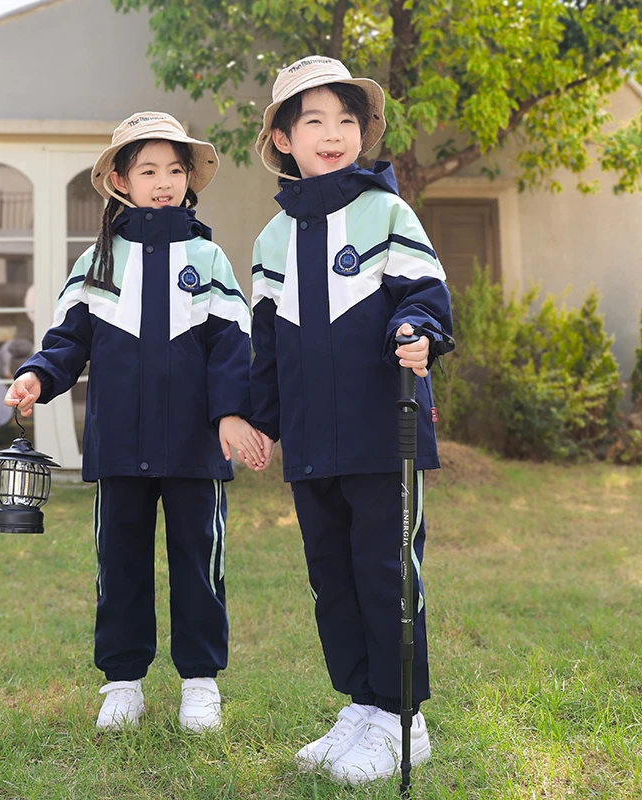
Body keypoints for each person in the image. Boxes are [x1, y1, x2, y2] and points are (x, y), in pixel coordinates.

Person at [4, 112, 265, 733]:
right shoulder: (96, 261)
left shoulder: (208, 258)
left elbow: (233, 345)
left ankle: (200, 682)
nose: (164, 182)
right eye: (148, 169)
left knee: (199, 562)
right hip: (119, 445)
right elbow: (68, 340)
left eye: (175, 170)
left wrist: (230, 414)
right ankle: (123, 682)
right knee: (119, 563)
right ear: (119, 179)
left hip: (194, 448)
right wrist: (39, 375)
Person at [248, 56, 455, 784]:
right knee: (332, 578)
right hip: (311, 442)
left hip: (382, 431)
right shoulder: (270, 241)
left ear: (362, 132)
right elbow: (265, 348)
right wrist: (259, 422)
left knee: (386, 572)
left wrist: (417, 329)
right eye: (313, 122)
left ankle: (405, 720)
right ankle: (363, 709)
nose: (333, 134)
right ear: (282, 138)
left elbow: (425, 293)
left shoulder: (387, 212)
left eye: (346, 120)